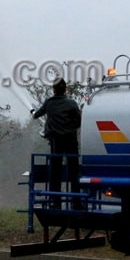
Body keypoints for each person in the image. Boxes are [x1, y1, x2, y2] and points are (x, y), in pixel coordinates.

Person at [30, 78, 82, 209]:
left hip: (56, 141)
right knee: (73, 171)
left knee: (55, 172)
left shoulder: (49, 103)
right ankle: (76, 202)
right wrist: (69, 128)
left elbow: (36, 115)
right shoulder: (72, 103)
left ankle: (55, 202)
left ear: (53, 90)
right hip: (71, 141)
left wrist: (33, 113)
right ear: (65, 89)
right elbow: (78, 122)